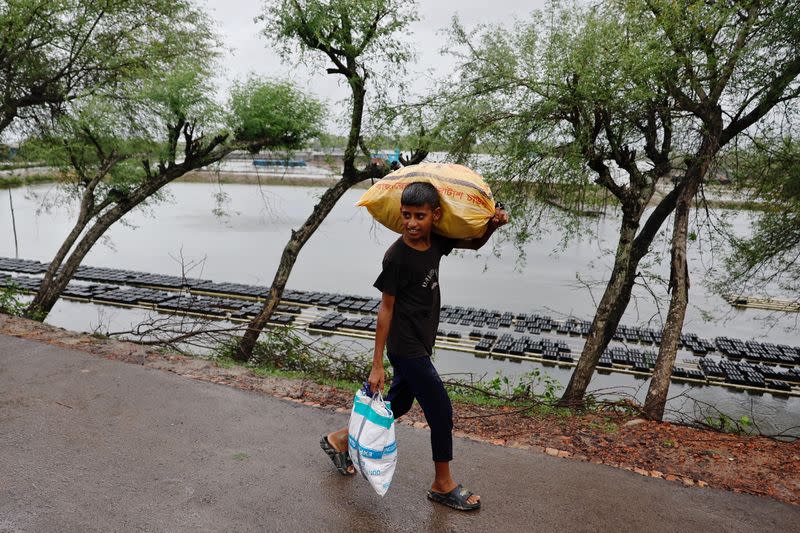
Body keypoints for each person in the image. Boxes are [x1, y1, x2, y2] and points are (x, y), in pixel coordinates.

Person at [320, 181, 509, 511]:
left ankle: (340, 440)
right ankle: (442, 484)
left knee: (398, 405)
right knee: (440, 410)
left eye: (419, 216)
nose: (411, 223)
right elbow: (385, 309)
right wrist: (377, 364)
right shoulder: (396, 258)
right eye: (406, 215)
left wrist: (491, 225)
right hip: (405, 346)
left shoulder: (434, 241)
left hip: (421, 340)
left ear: (435, 216)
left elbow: (474, 244)